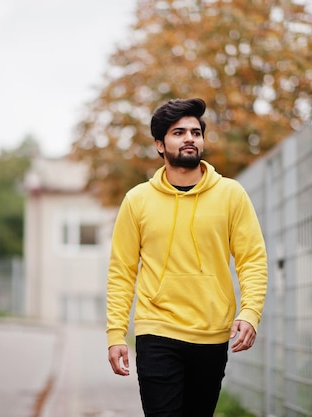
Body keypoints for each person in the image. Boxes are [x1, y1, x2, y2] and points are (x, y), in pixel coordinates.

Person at [106, 97, 268, 417]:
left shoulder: (230, 194)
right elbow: (121, 271)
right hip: (157, 330)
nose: (190, 138)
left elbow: (252, 259)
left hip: (211, 332)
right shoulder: (137, 200)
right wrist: (115, 334)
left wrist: (250, 313)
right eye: (178, 132)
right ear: (160, 145)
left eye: (195, 132)